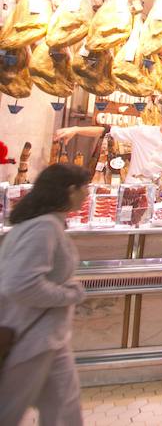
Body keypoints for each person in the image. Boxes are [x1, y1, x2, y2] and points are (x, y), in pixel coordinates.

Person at [0, 164, 90, 425]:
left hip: (48, 335)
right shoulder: (44, 228)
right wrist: (69, 294)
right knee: (9, 408)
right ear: (70, 190)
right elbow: (20, 284)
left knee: (64, 405)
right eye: (85, 188)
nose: (87, 195)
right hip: (28, 334)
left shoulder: (44, 224)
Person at [54, 109, 162, 182]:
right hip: (132, 184)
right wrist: (76, 129)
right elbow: (107, 130)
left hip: (156, 189)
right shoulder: (142, 132)